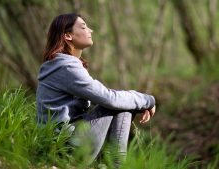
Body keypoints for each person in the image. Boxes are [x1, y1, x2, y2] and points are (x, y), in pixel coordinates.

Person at [36, 13, 156, 166]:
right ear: (68, 36)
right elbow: (109, 99)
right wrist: (148, 100)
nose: (90, 30)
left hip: (61, 143)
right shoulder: (66, 67)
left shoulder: (60, 65)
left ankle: (111, 165)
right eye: (84, 27)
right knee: (117, 105)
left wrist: (135, 103)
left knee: (123, 105)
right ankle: (116, 165)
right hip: (64, 148)